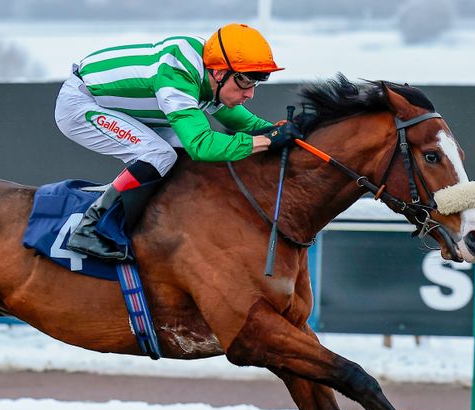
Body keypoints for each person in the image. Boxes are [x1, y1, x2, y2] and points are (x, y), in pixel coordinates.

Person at [54, 22, 302, 261]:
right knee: (160, 155)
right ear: (219, 72)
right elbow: (202, 145)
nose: (250, 93)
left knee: (177, 153)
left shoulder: (209, 73)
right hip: (81, 104)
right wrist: (266, 142)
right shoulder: (178, 76)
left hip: (120, 107)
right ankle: (90, 226)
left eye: (255, 82)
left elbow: (243, 122)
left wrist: (284, 130)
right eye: (245, 81)